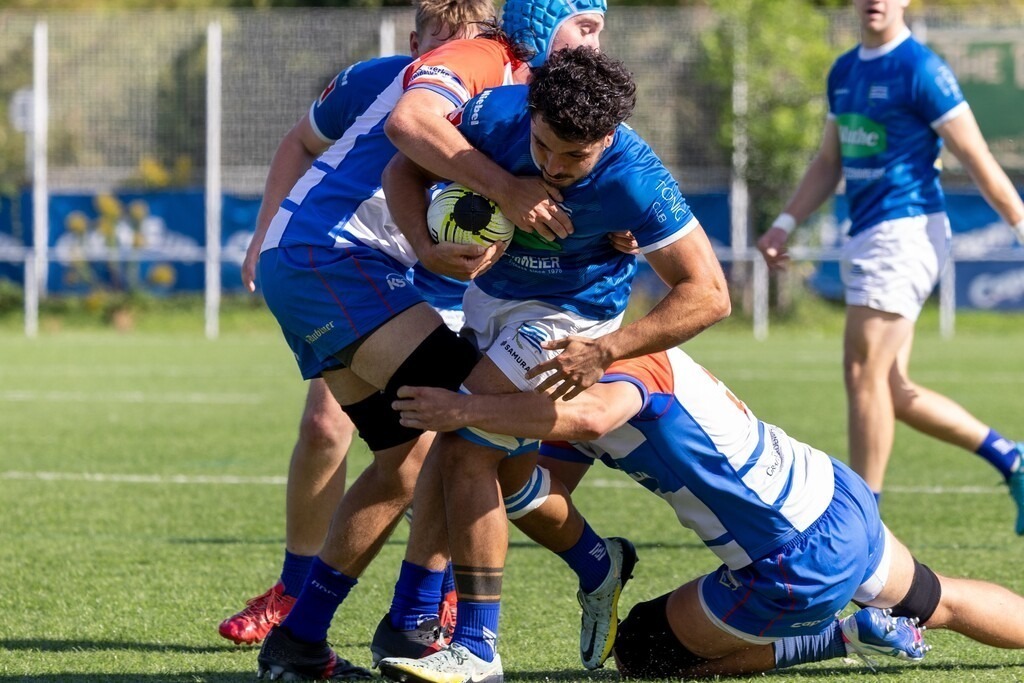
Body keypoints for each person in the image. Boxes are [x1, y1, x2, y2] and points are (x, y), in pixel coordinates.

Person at [253, 4, 627, 680]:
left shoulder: (530, 98)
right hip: (334, 255)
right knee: (467, 414)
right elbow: (408, 124)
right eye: (586, 24)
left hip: (329, 261)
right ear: (541, 22)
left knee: (408, 455)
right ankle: (414, 620)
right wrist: (504, 190)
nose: (597, 40)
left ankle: (301, 641)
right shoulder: (485, 55)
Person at [375, 46, 730, 683]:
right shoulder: (493, 116)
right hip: (487, 299)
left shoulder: (635, 178)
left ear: (609, 137)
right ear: (531, 112)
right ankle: (599, 564)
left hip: (570, 321)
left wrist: (607, 350)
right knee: (507, 479)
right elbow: (403, 170)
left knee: (463, 446)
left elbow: (708, 293)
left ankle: (471, 646)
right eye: (544, 147)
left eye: (576, 157)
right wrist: (428, 248)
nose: (555, 166)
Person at [388, 343, 1024, 679]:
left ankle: (841, 635)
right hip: (833, 495)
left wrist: (466, 412)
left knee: (642, 651)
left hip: (792, 560)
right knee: (939, 601)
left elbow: (597, 415)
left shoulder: (612, 378)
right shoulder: (605, 357)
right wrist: (497, 469)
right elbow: (550, 494)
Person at [219, 0, 494, 647]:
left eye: (465, 37)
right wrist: (264, 234)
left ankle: (431, 593)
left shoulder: (498, 97)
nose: (448, 49)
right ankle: (298, 593)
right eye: (437, 35)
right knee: (328, 426)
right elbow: (300, 142)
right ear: (414, 37)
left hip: (449, 280)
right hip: (362, 264)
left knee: (450, 432)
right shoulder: (377, 80)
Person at [757, 0, 1024, 528]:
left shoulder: (922, 68)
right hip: (869, 236)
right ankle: (1012, 459)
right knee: (892, 390)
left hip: (906, 233)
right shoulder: (845, 69)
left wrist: (1019, 222)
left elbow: (976, 157)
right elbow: (829, 160)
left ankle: (863, 525)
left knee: (862, 374)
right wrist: (785, 222)